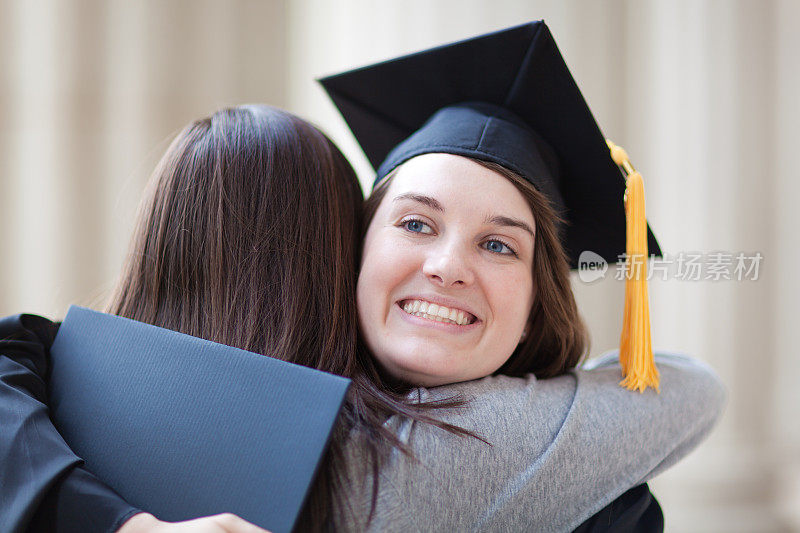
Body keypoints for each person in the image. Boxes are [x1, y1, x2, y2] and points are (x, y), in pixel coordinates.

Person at [0, 22, 724, 532]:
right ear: (349, 251)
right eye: (415, 223)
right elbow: (689, 387)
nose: (448, 265)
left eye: (501, 246)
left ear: (540, 300)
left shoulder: (60, 388)